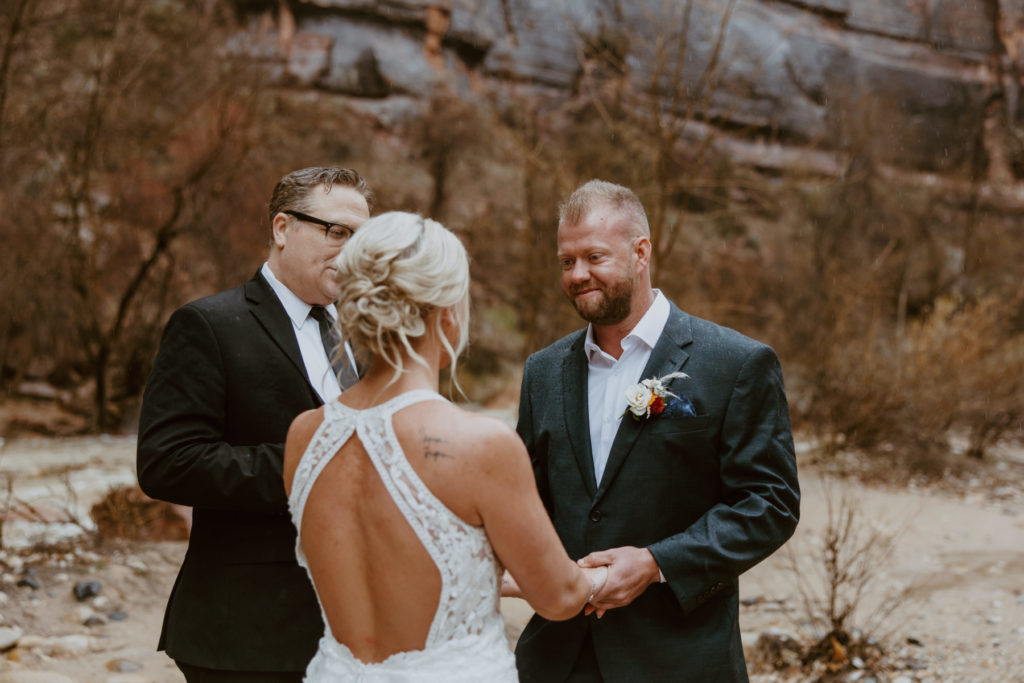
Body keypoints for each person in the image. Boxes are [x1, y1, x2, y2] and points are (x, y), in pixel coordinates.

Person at [282, 211, 608, 682]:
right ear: (449, 314)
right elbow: (559, 598)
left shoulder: (303, 435)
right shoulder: (480, 445)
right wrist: (608, 575)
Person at [514, 180, 800, 682]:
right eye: (566, 261)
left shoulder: (735, 363)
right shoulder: (542, 372)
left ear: (640, 251)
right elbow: (526, 502)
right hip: (559, 657)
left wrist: (654, 562)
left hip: (679, 655)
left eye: (594, 257)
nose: (578, 275)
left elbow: (770, 503)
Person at [136, 167, 373, 682]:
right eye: (337, 232)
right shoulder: (208, 325)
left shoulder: (359, 338)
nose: (352, 251)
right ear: (282, 228)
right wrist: (307, 462)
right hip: (244, 632)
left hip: (348, 631)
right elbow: (165, 463)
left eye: (362, 238)